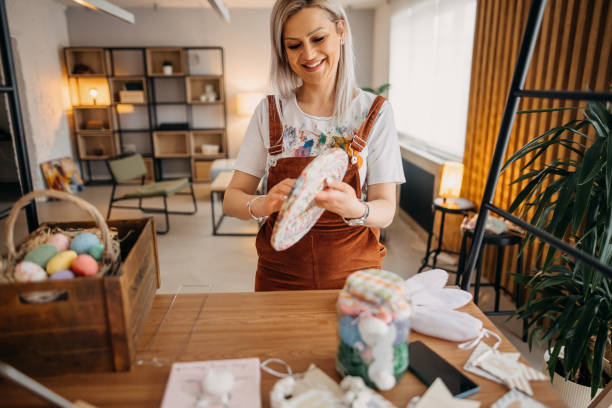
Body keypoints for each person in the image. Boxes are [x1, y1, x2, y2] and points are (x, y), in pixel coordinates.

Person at [223, 0, 405, 291]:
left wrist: (355, 208)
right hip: (278, 277)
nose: (308, 54)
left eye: (318, 38)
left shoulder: (375, 111)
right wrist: (262, 204)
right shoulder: (271, 111)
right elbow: (231, 198)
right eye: (294, 45)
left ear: (341, 31)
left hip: (356, 280)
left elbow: (386, 209)